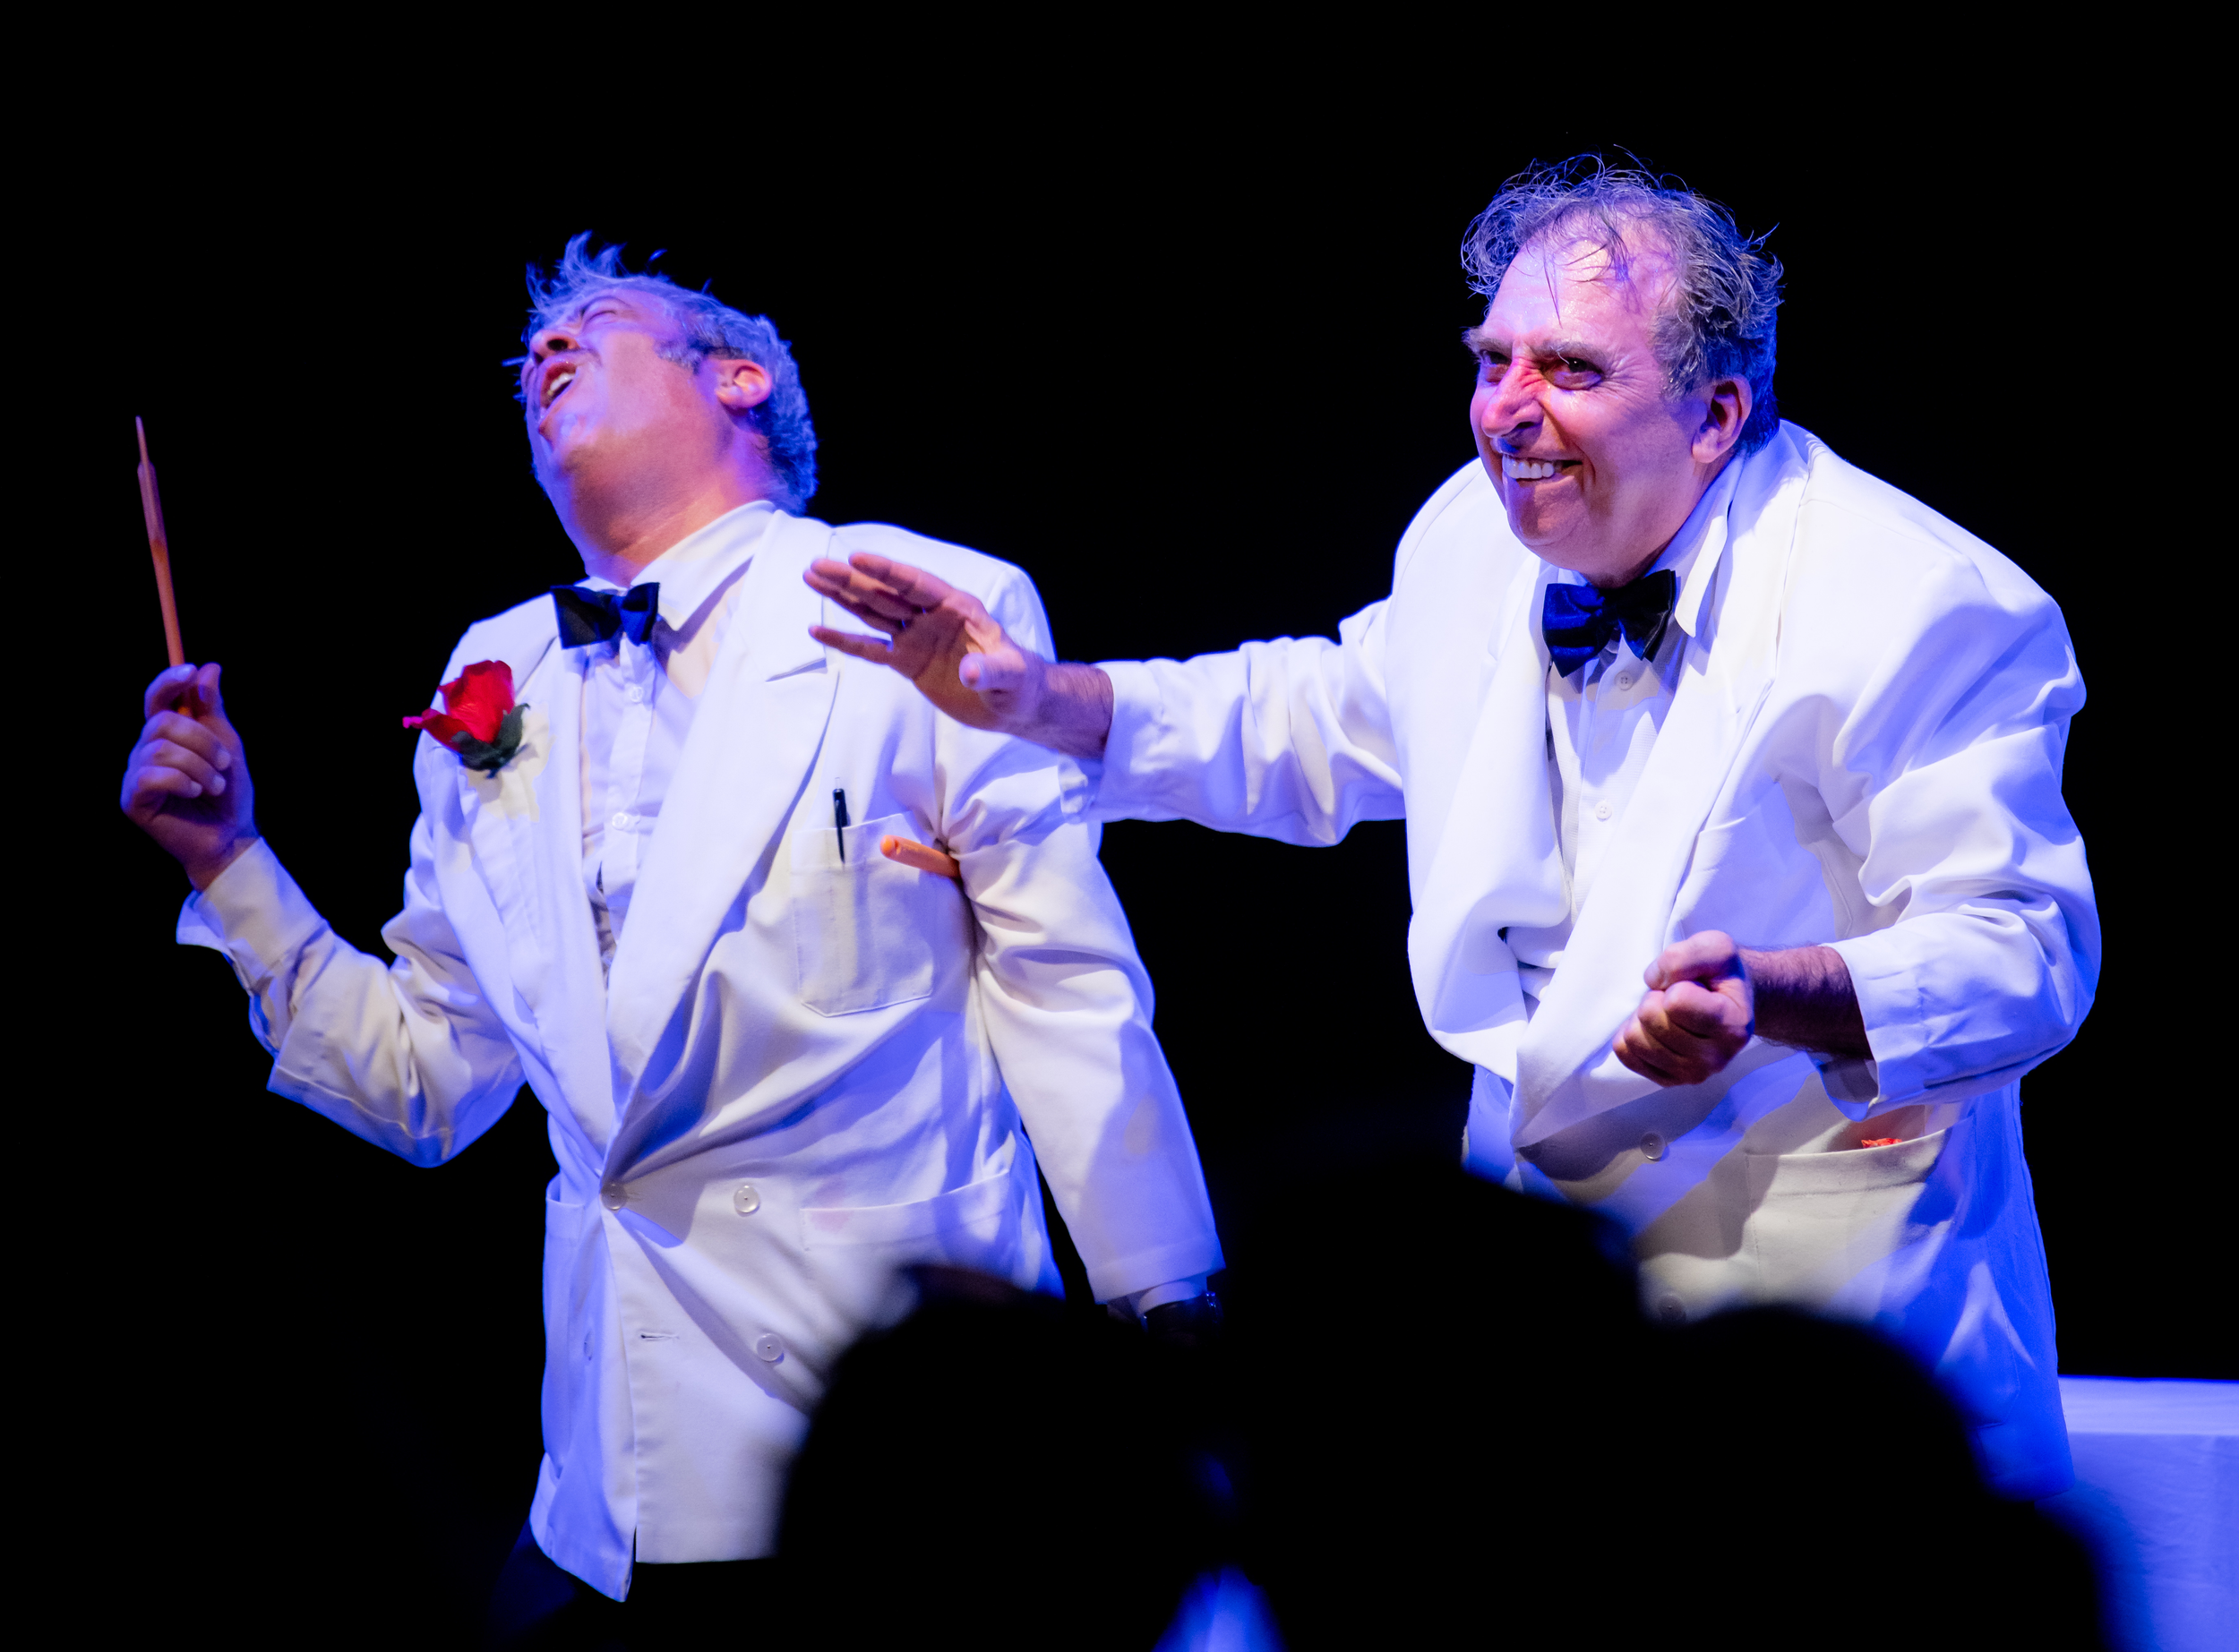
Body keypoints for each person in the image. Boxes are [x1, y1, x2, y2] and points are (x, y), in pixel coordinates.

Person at [804, 160, 2098, 1500]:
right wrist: (1038, 697)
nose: (1506, 413)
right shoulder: (1469, 543)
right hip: (1545, 1308)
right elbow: (1316, 715)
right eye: (1493, 361)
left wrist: (1768, 994)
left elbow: (2024, 953)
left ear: (1718, 413)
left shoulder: (1914, 600)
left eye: (1571, 370)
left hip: (1822, 1308)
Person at [117, 235, 1224, 1623]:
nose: (543, 355)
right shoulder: (492, 669)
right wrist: (229, 864)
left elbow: (1062, 977)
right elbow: (429, 1081)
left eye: (595, 323)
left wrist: (1161, 1303)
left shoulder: (918, 601)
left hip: (897, 1428)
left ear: (741, 377)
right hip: (611, 1478)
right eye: (528, 353)